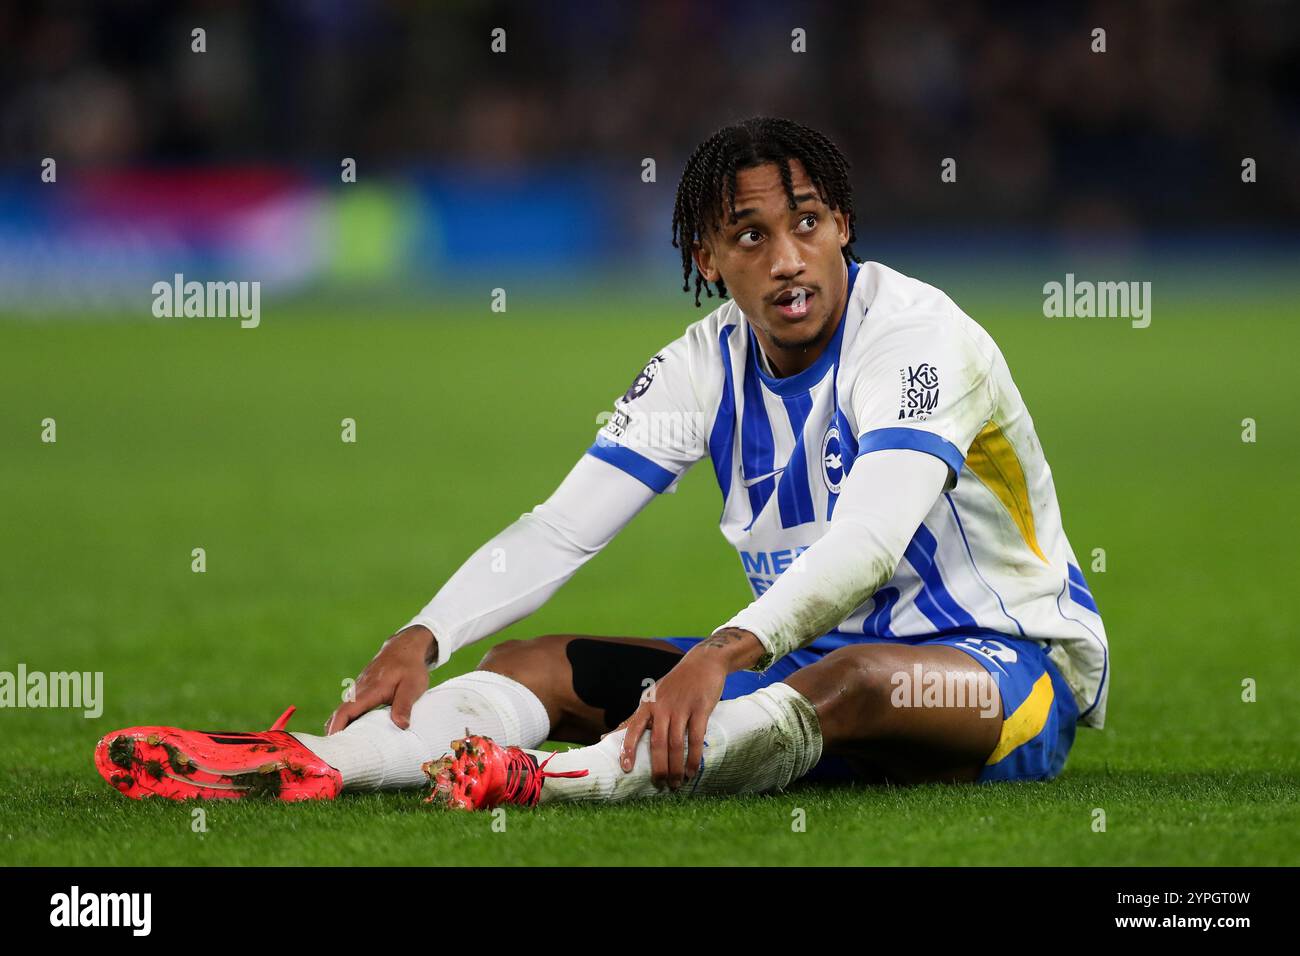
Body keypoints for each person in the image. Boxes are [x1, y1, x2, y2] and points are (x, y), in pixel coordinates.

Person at [94, 117, 1108, 809]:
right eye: (749, 236)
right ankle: (318, 760)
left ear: (842, 224)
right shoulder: (703, 362)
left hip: (998, 667)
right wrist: (423, 631)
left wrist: (719, 651)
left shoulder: (921, 338)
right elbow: (562, 525)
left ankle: (556, 779)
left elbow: (869, 537)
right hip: (785, 662)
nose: (787, 259)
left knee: (857, 677)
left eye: (806, 224)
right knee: (526, 663)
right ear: (708, 257)